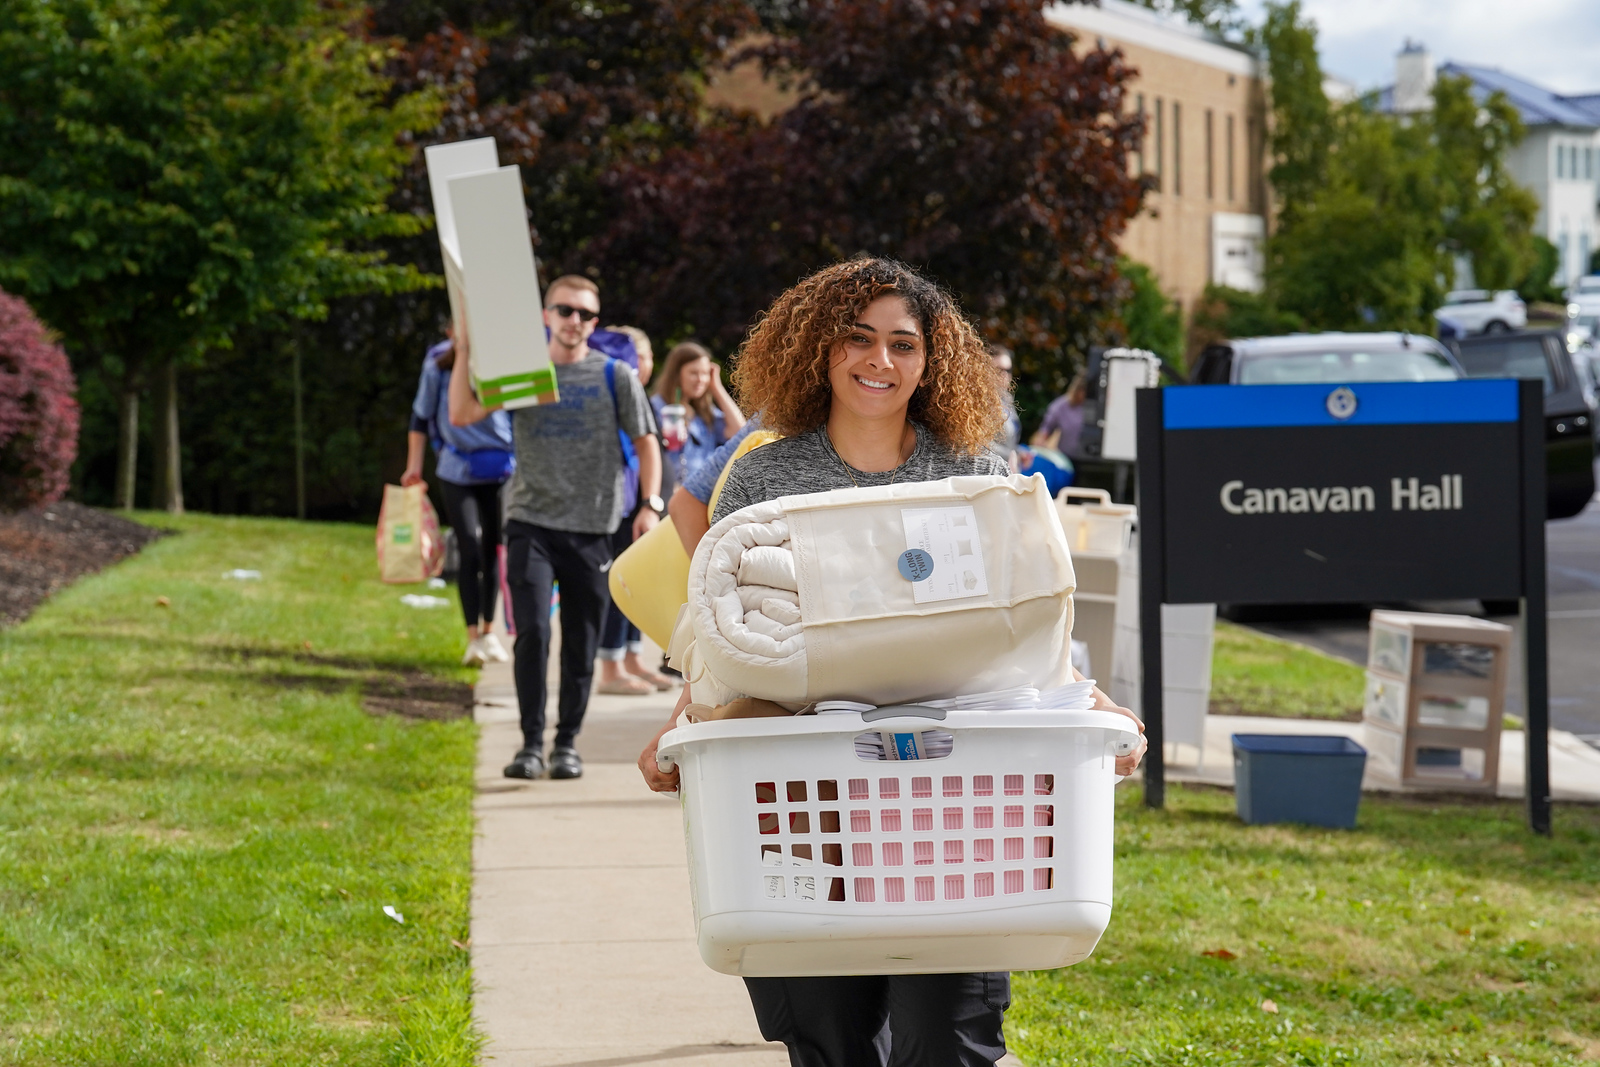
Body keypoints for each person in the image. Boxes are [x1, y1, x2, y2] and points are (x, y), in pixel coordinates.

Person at [636, 257, 1147, 1067]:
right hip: (801, 795)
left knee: (947, 1038)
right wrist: (686, 719)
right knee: (828, 1035)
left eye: (903, 344)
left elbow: (1025, 627)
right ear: (818, 348)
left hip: (949, 806)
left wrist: (1090, 700)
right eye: (859, 339)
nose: (881, 361)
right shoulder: (765, 477)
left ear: (930, 360)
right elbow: (731, 630)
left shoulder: (974, 474)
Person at [449, 275, 664, 782]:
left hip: (593, 529)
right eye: (565, 311)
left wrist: (648, 504)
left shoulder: (614, 375)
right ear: (546, 315)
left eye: (586, 314)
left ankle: (566, 742)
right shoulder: (529, 373)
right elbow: (462, 413)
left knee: (581, 640)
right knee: (534, 633)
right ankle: (528, 744)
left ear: (595, 321)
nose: (575, 322)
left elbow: (647, 440)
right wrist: (463, 351)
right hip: (531, 523)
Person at [402, 331, 513, 667]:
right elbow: (420, 417)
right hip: (457, 466)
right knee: (470, 544)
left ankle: (489, 631)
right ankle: (471, 639)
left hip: (501, 468)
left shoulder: (504, 357)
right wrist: (414, 468)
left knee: (493, 546)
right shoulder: (439, 362)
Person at [592, 325, 676, 695]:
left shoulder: (634, 395)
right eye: (640, 356)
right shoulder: (616, 394)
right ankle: (610, 667)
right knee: (621, 581)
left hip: (641, 504)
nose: (644, 364)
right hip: (625, 504)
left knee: (637, 584)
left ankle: (630, 658)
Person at [652, 341, 746, 485]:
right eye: (693, 373)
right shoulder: (658, 407)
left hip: (700, 494)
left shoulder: (704, 412)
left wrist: (717, 388)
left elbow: (739, 432)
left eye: (705, 373)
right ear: (676, 374)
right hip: (670, 492)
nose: (701, 380)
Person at [1031, 373, 1088, 457]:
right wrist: (1039, 442)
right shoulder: (1059, 406)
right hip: (1061, 456)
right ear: (1077, 390)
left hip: (1081, 456)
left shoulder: (1086, 407)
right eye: (1083, 391)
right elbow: (1046, 428)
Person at [987, 343, 1020, 470]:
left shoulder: (1007, 399)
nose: (1005, 375)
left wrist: (1020, 453)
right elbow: (975, 443)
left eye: (1008, 370)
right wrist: (1009, 455)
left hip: (1008, 471)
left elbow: (1010, 442)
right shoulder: (978, 403)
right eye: (999, 370)